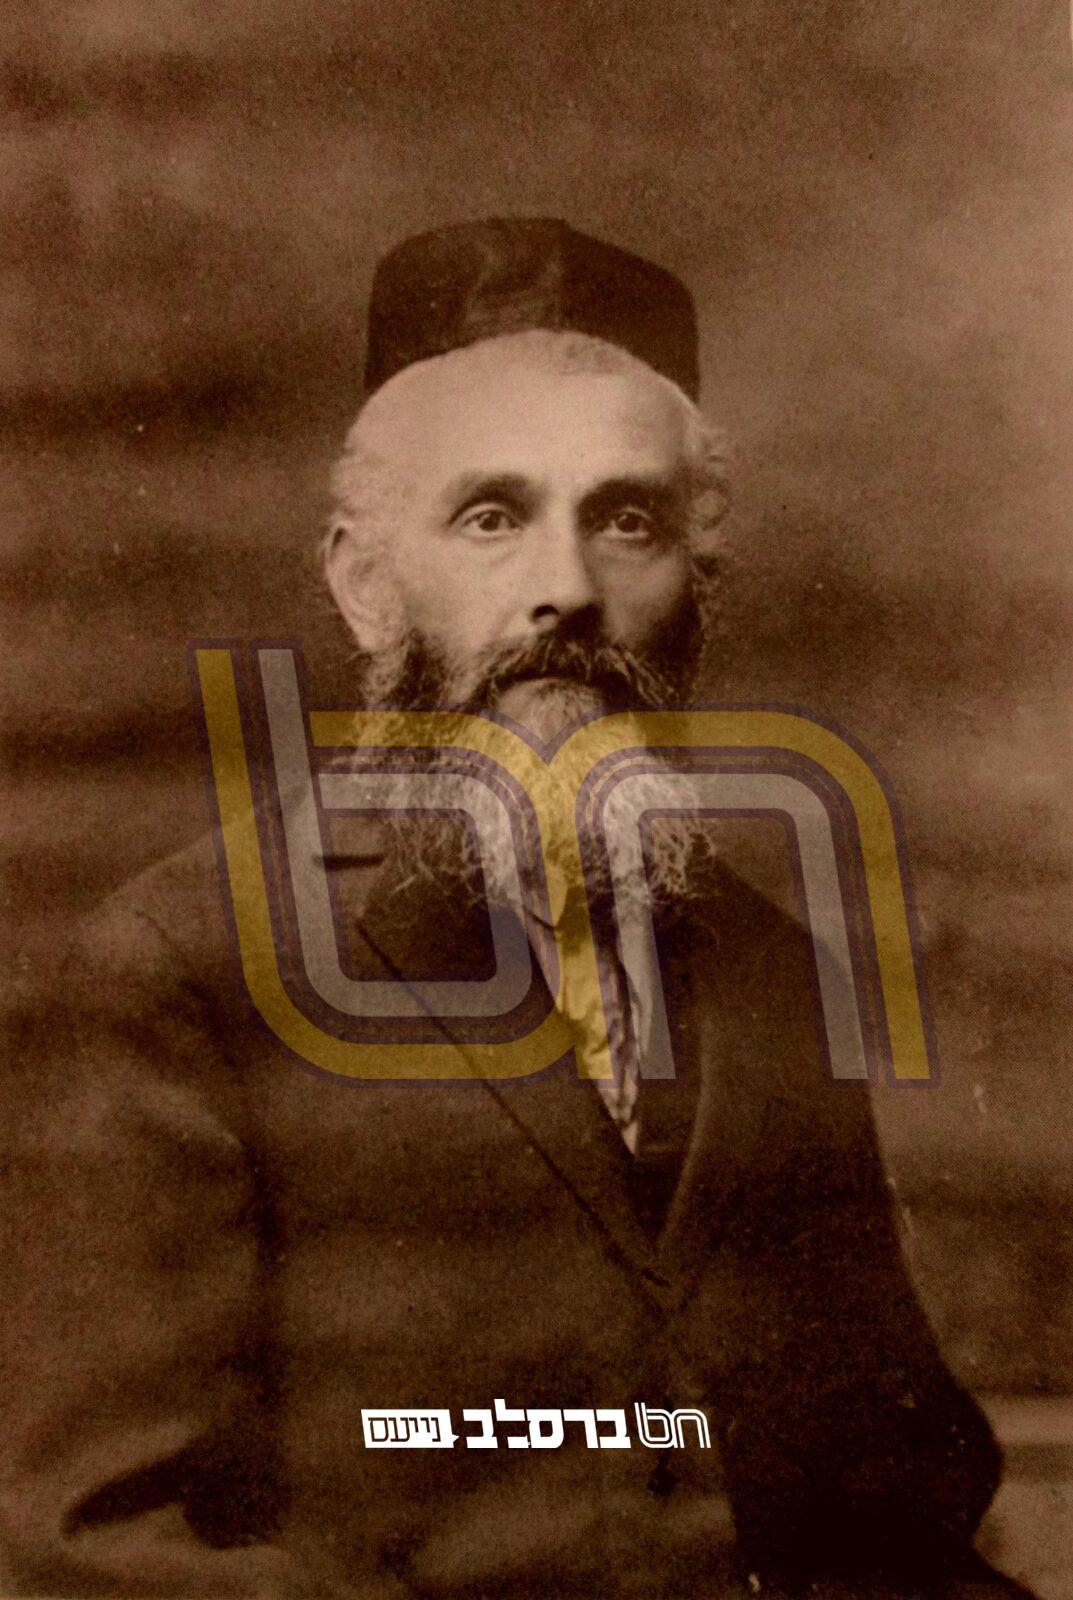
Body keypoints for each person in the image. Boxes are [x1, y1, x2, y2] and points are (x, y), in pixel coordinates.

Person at [0, 218, 1033, 1599]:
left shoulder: (770, 971)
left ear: (701, 587)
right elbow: (95, 1551)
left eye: (627, 519)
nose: (567, 590)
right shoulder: (178, 974)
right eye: (492, 517)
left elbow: (897, 1507)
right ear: (365, 584)